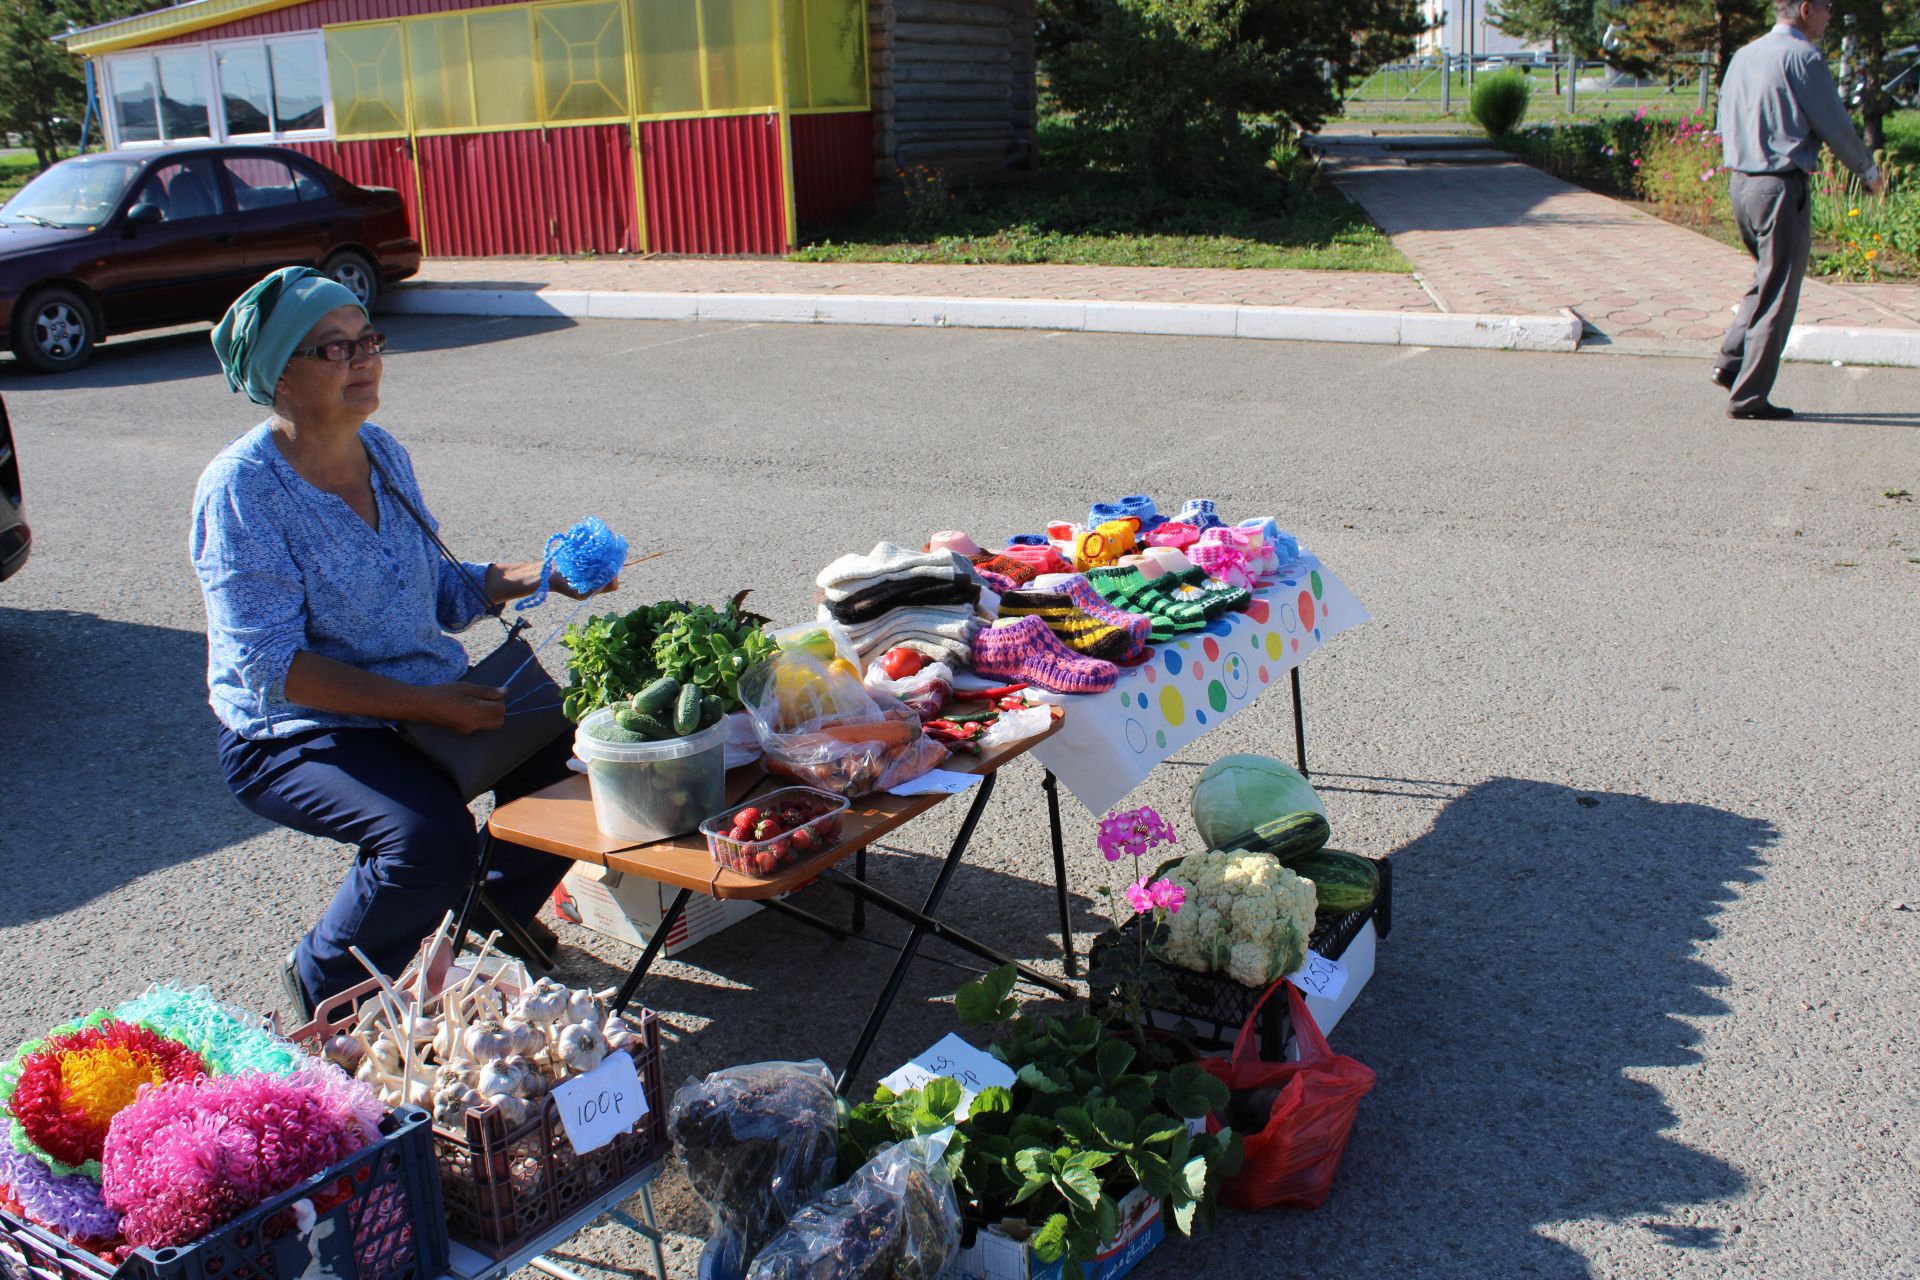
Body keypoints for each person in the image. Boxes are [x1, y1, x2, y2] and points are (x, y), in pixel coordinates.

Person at [191, 266, 614, 1019]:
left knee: (583, 765)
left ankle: (482, 925)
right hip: (295, 732)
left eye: (368, 340)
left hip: (423, 703)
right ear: (278, 374)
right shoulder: (242, 490)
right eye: (334, 349)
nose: (363, 360)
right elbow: (271, 667)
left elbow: (441, 593)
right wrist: (433, 705)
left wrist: (540, 575)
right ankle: (326, 985)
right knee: (425, 839)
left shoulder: (380, 449)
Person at [1715, 0, 1888, 420]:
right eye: (1827, 8)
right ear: (1806, 9)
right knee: (1779, 294)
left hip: (1741, 182)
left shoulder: (1745, 54)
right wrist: (1867, 170)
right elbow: (1834, 123)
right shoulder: (1802, 56)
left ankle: (1732, 358)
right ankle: (1748, 396)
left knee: (1766, 279)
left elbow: (1725, 118)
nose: (1831, 16)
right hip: (1779, 187)